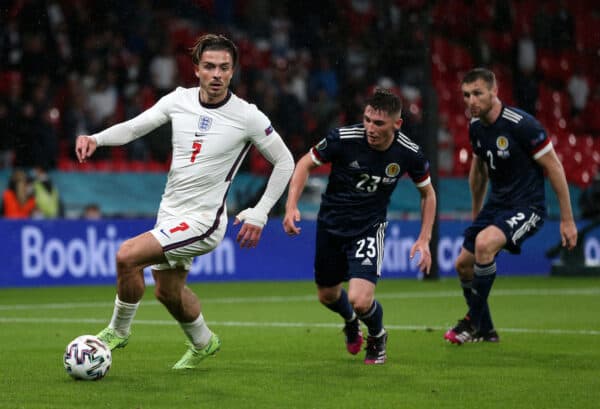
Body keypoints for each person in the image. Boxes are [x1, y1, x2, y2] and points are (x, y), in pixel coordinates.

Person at [75, 34, 294, 369]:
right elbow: (135, 128)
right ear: (196, 69)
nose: (217, 74)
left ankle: (117, 331)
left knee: (127, 257)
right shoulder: (179, 100)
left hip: (204, 220)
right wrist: (95, 138)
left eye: (224, 67)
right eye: (209, 66)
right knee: (167, 292)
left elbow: (285, 161)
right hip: (171, 212)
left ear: (233, 71)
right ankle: (204, 342)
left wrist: (260, 213)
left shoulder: (247, 116)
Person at [283, 88, 436, 365]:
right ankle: (351, 322)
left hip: (368, 228)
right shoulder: (343, 139)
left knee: (361, 299)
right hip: (331, 226)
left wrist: (424, 238)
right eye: (367, 120)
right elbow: (305, 163)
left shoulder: (409, 153)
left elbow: (428, 194)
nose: (370, 128)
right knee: (327, 295)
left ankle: (377, 335)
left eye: (378, 123)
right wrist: (291, 205)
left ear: (396, 124)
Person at [444, 68, 578, 344]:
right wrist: (476, 213)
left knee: (484, 245)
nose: (471, 101)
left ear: (495, 91)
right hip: (496, 205)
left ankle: (472, 321)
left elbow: (554, 167)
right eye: (466, 95)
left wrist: (567, 219)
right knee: (463, 265)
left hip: (527, 206)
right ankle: (487, 331)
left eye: (478, 93)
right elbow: (478, 172)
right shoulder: (475, 126)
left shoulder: (522, 125)